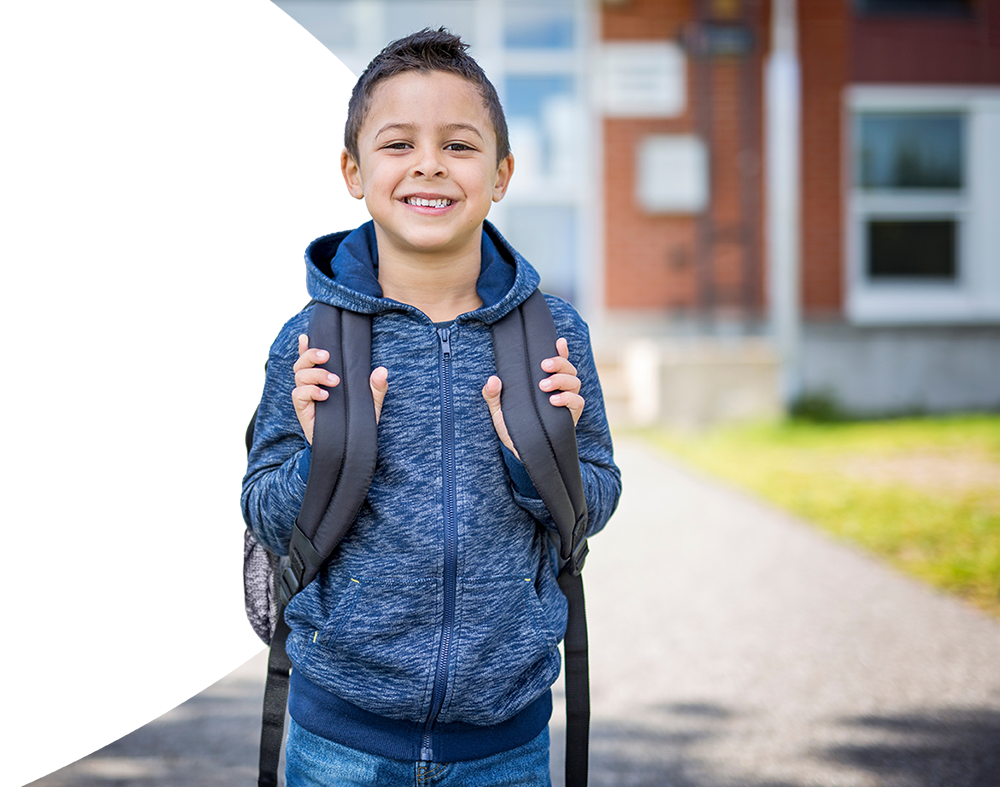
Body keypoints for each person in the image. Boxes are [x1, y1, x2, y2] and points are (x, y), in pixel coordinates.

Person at [241, 27, 621, 787]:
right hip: (339, 739)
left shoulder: (554, 335)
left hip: (503, 745)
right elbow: (265, 513)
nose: (428, 164)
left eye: (458, 144)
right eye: (397, 144)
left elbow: (596, 498)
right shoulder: (312, 338)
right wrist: (321, 459)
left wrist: (534, 461)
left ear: (502, 173)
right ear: (352, 171)